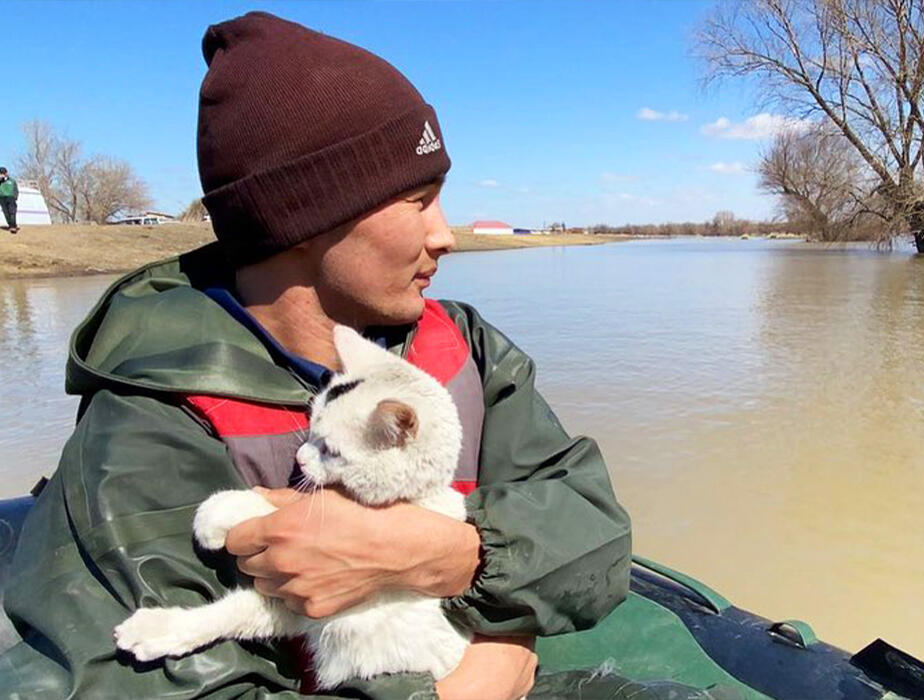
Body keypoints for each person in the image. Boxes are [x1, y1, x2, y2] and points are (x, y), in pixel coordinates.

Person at [0, 12, 631, 699]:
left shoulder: (464, 348)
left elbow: (597, 536)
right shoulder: (149, 423)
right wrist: (465, 691)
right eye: (418, 201)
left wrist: (444, 554)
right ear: (300, 220)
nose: (445, 234)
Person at [0, 167, 19, 233]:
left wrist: (15, 197)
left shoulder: (12, 181)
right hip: (2, 198)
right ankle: (11, 225)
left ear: (6, 173)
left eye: (3, 173)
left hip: (11, 197)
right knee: (6, 213)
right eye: (1, 173)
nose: (2, 174)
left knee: (12, 212)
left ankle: (13, 227)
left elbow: (16, 189)